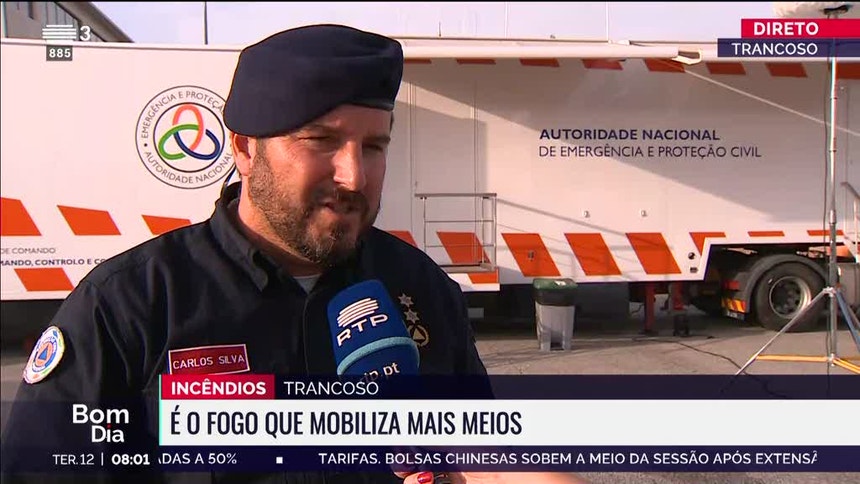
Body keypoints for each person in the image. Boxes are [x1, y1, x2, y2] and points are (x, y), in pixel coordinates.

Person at [1, 24, 586, 484]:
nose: (354, 176)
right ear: (245, 149)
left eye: (374, 146)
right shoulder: (128, 308)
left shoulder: (421, 288)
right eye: (321, 141)